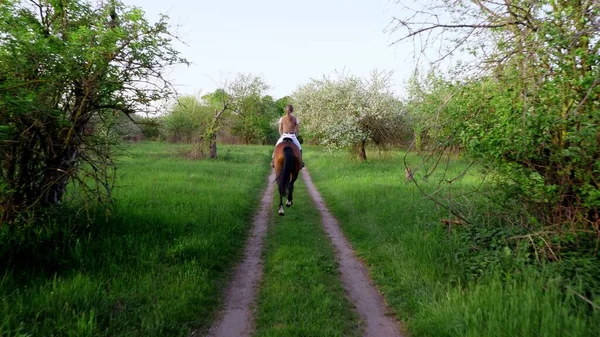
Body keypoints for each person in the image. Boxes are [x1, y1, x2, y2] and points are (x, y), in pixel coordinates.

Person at [271, 104, 305, 168]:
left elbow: (280, 129)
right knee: (299, 148)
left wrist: (281, 135)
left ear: (285, 110)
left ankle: (273, 161)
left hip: (284, 135)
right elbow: (297, 130)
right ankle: (301, 162)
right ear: (292, 110)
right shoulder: (296, 118)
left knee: (276, 147)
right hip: (292, 136)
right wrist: (296, 136)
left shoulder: (282, 118)